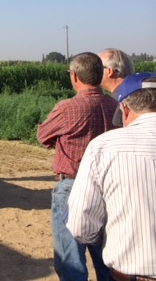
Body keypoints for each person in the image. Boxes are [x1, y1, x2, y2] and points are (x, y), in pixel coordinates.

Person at [66, 73, 156, 281]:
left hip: (131, 274)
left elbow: (81, 225)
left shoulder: (104, 147)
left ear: (124, 109)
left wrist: (110, 236)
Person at [37, 52, 118, 281]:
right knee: (106, 256)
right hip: (107, 186)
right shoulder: (115, 105)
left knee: (70, 258)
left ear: (74, 76)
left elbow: (43, 136)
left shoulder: (67, 108)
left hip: (72, 185)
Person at [98, 48, 134, 127]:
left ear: (110, 71)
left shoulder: (115, 100)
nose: (95, 72)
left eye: (98, 68)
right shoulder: (138, 91)